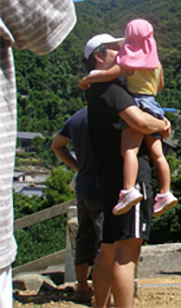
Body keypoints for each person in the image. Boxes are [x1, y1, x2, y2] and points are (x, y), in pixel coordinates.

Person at [0, 0, 77, 305]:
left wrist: (77, 168)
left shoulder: (85, 111)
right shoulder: (127, 105)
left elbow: (57, 145)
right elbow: (48, 19)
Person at [83, 33, 170, 308]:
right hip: (129, 181)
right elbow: (139, 121)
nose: (122, 52)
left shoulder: (96, 89)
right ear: (99, 56)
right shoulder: (111, 89)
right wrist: (163, 125)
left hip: (110, 180)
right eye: (115, 48)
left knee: (108, 249)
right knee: (126, 253)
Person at [80, 19, 177, 217]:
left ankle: (128, 190)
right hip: (154, 106)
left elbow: (109, 75)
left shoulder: (128, 61)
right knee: (158, 155)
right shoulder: (156, 63)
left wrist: (89, 78)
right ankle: (166, 192)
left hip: (139, 105)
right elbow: (159, 86)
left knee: (129, 151)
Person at [51, 107, 104, 303]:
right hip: (104, 188)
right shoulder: (112, 113)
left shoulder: (76, 118)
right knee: (106, 243)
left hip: (84, 186)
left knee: (84, 237)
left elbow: (57, 145)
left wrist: (78, 166)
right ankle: (102, 292)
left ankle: (82, 287)